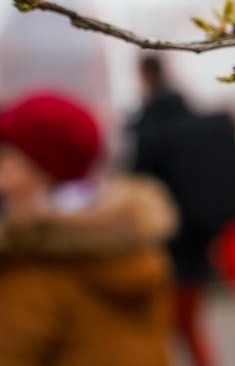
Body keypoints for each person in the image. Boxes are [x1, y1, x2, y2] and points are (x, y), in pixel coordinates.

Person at [0, 92, 176, 365]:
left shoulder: (31, 270)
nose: (2, 180)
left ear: (41, 168)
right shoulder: (133, 252)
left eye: (7, 160)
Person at [130, 56, 235, 366]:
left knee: (171, 324)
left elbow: (140, 180)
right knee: (187, 322)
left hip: (165, 240)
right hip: (198, 236)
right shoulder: (193, 120)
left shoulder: (149, 128)